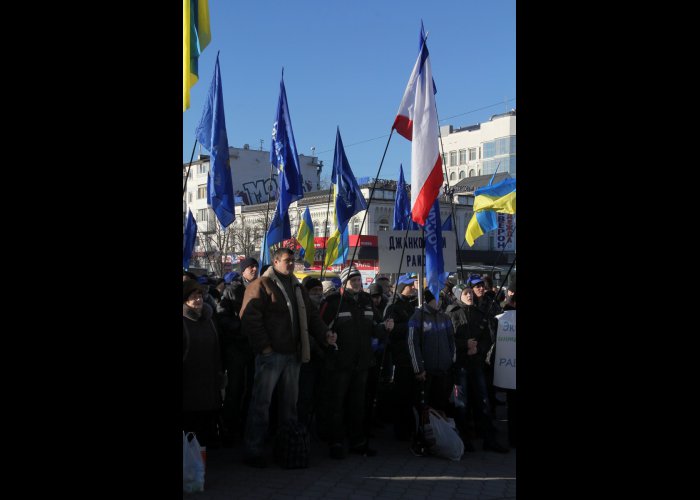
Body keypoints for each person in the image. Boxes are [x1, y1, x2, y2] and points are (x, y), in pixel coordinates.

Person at [240, 248, 331, 468]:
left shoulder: (297, 286)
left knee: (289, 406)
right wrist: (265, 348)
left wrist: (325, 333)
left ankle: (286, 448)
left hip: (293, 354)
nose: (291, 264)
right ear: (275, 261)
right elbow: (250, 318)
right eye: (287, 261)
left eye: (293, 261)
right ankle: (254, 450)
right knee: (261, 404)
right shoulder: (260, 285)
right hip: (271, 355)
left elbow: (310, 316)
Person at [321, 267, 392, 459]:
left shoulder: (366, 301)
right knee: (337, 404)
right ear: (344, 282)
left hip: (362, 363)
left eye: (359, 280)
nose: (357, 283)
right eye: (353, 280)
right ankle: (335, 441)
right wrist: (327, 338)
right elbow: (319, 327)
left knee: (358, 404)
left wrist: (385, 327)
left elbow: (375, 327)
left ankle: (357, 441)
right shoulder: (333, 302)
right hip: (340, 362)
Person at [446, 284, 508, 453]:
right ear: (459, 295)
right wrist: (464, 345)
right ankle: (464, 440)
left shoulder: (480, 314)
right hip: (460, 365)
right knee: (462, 405)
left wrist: (478, 348)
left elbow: (488, 338)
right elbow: (448, 338)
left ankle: (489, 440)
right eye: (465, 293)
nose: (469, 296)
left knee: (483, 402)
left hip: (476, 365)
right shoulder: (451, 314)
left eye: (470, 293)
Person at [216, 256, 259, 445]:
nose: (253, 270)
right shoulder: (233, 289)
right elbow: (222, 316)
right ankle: (230, 428)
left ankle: (246, 427)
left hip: (255, 347)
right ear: (242, 270)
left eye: (255, 267)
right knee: (235, 389)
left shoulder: (262, 287)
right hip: (236, 347)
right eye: (249, 267)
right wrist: (240, 329)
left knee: (252, 389)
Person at [183, 279, 225, 448]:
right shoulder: (184, 321)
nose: (198, 299)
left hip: (209, 380)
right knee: (189, 425)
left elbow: (217, 349)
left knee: (205, 422)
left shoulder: (209, 319)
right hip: (188, 383)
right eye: (193, 296)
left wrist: (220, 375)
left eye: (200, 295)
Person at [383, 274, 419, 441]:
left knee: (410, 394)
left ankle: (410, 426)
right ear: (401, 287)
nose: (413, 287)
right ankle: (401, 430)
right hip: (400, 354)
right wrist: (412, 326)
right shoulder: (393, 306)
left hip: (411, 354)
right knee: (401, 394)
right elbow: (390, 329)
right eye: (410, 285)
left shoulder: (409, 303)